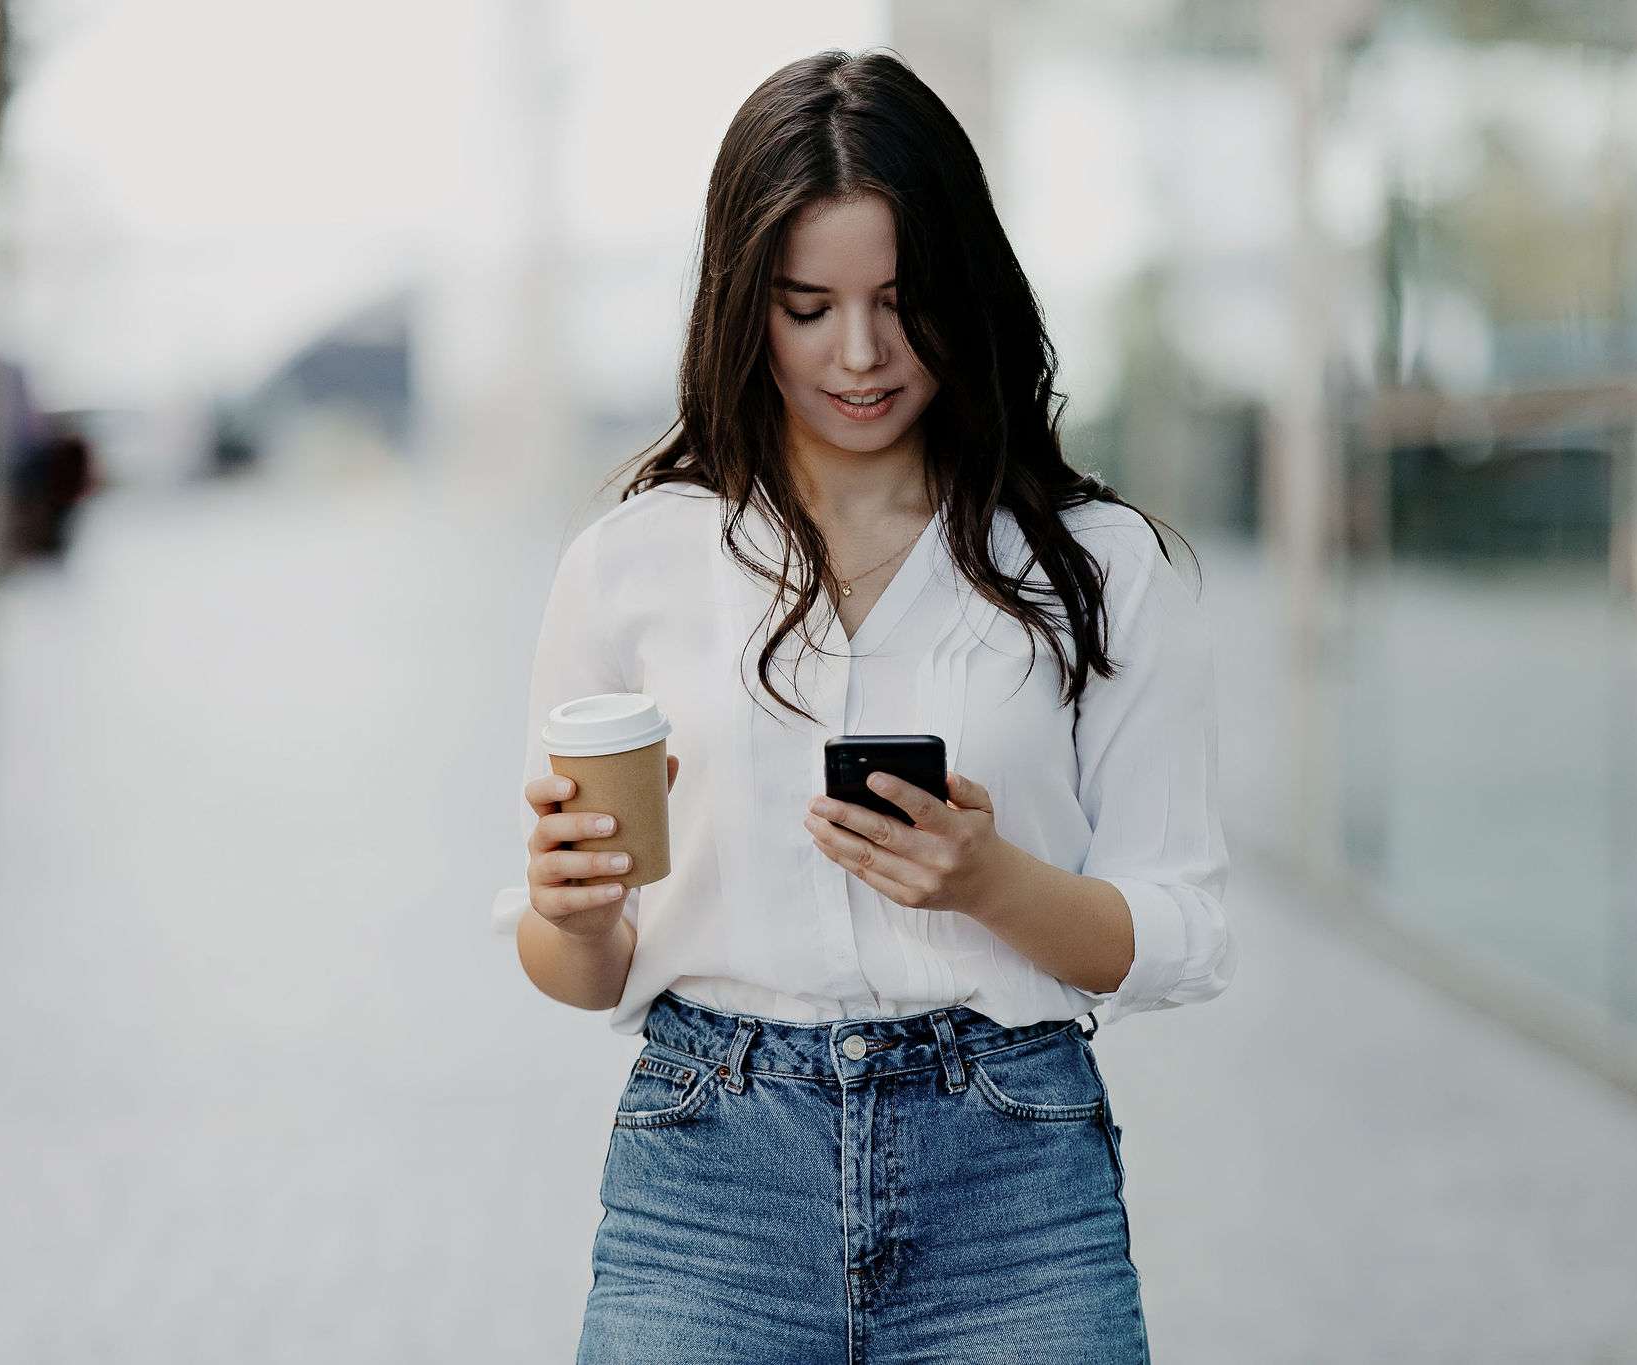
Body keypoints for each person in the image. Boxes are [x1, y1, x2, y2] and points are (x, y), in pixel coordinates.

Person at [494, 48, 1235, 1364]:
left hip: (1013, 1187)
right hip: (708, 1182)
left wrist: (988, 878)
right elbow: (582, 970)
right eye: (807, 304)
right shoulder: (636, 562)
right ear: (743, 305)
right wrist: (571, 910)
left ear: (969, 289)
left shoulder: (1102, 567)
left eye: (903, 300)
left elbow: (1182, 929)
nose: (860, 353)